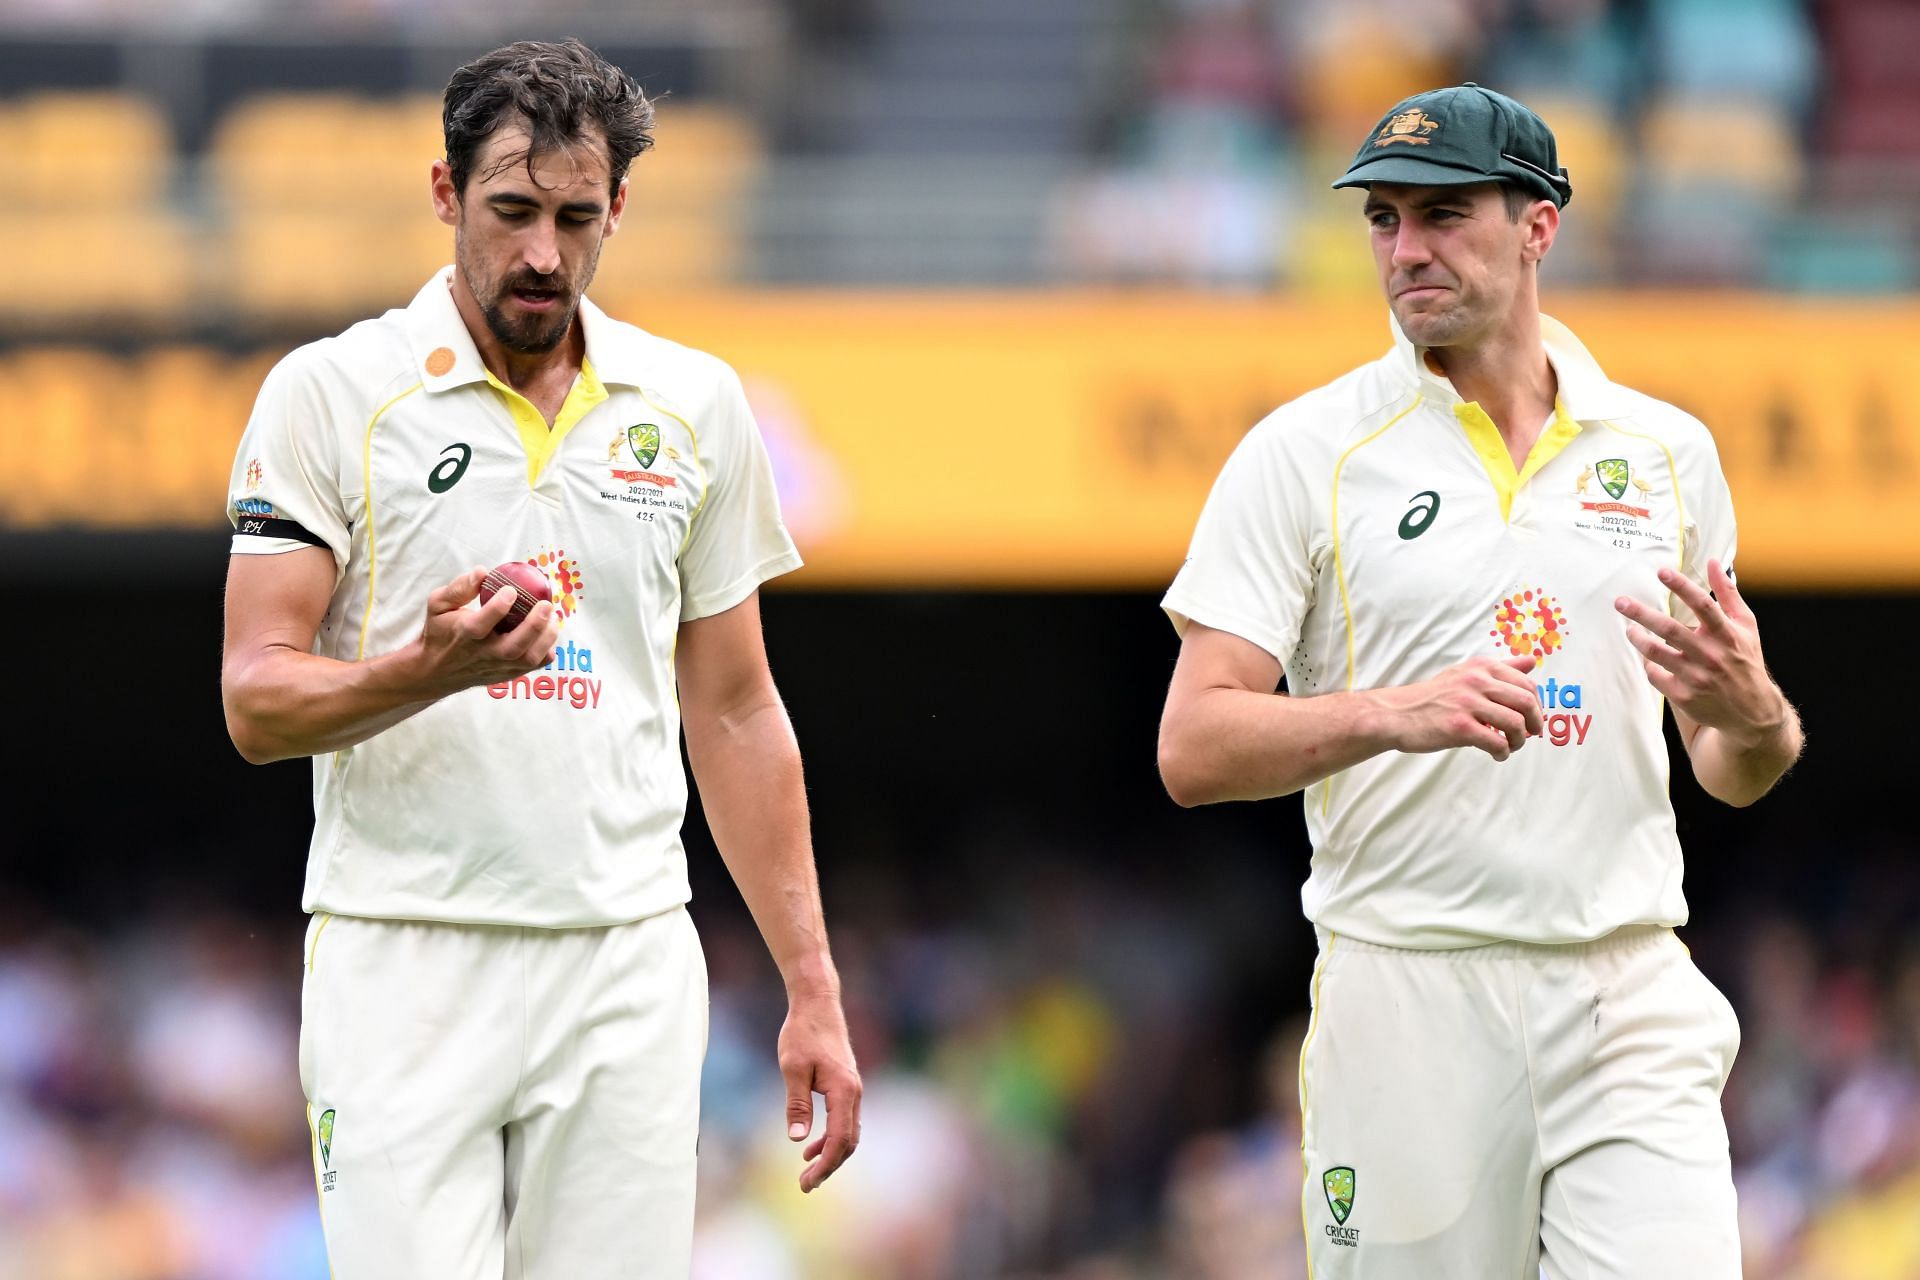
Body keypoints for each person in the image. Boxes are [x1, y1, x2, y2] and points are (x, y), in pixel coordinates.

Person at [219, 39, 860, 1279]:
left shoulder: (693, 405)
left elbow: (734, 711)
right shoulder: (332, 393)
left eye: (577, 217)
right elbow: (255, 696)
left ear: (618, 207)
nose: (543, 256)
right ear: (447, 193)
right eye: (511, 211)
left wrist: (813, 986)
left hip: (625, 960)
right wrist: (427, 669)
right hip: (403, 954)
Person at [1157, 83, 1802, 1277]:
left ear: (1539, 225)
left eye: (1444, 214)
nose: (1407, 251)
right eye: (1384, 220)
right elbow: (1193, 747)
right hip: (1408, 993)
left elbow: (1730, 763)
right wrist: (1393, 712)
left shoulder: (1667, 454)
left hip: (1626, 984)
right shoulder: (1303, 454)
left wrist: (1757, 711)